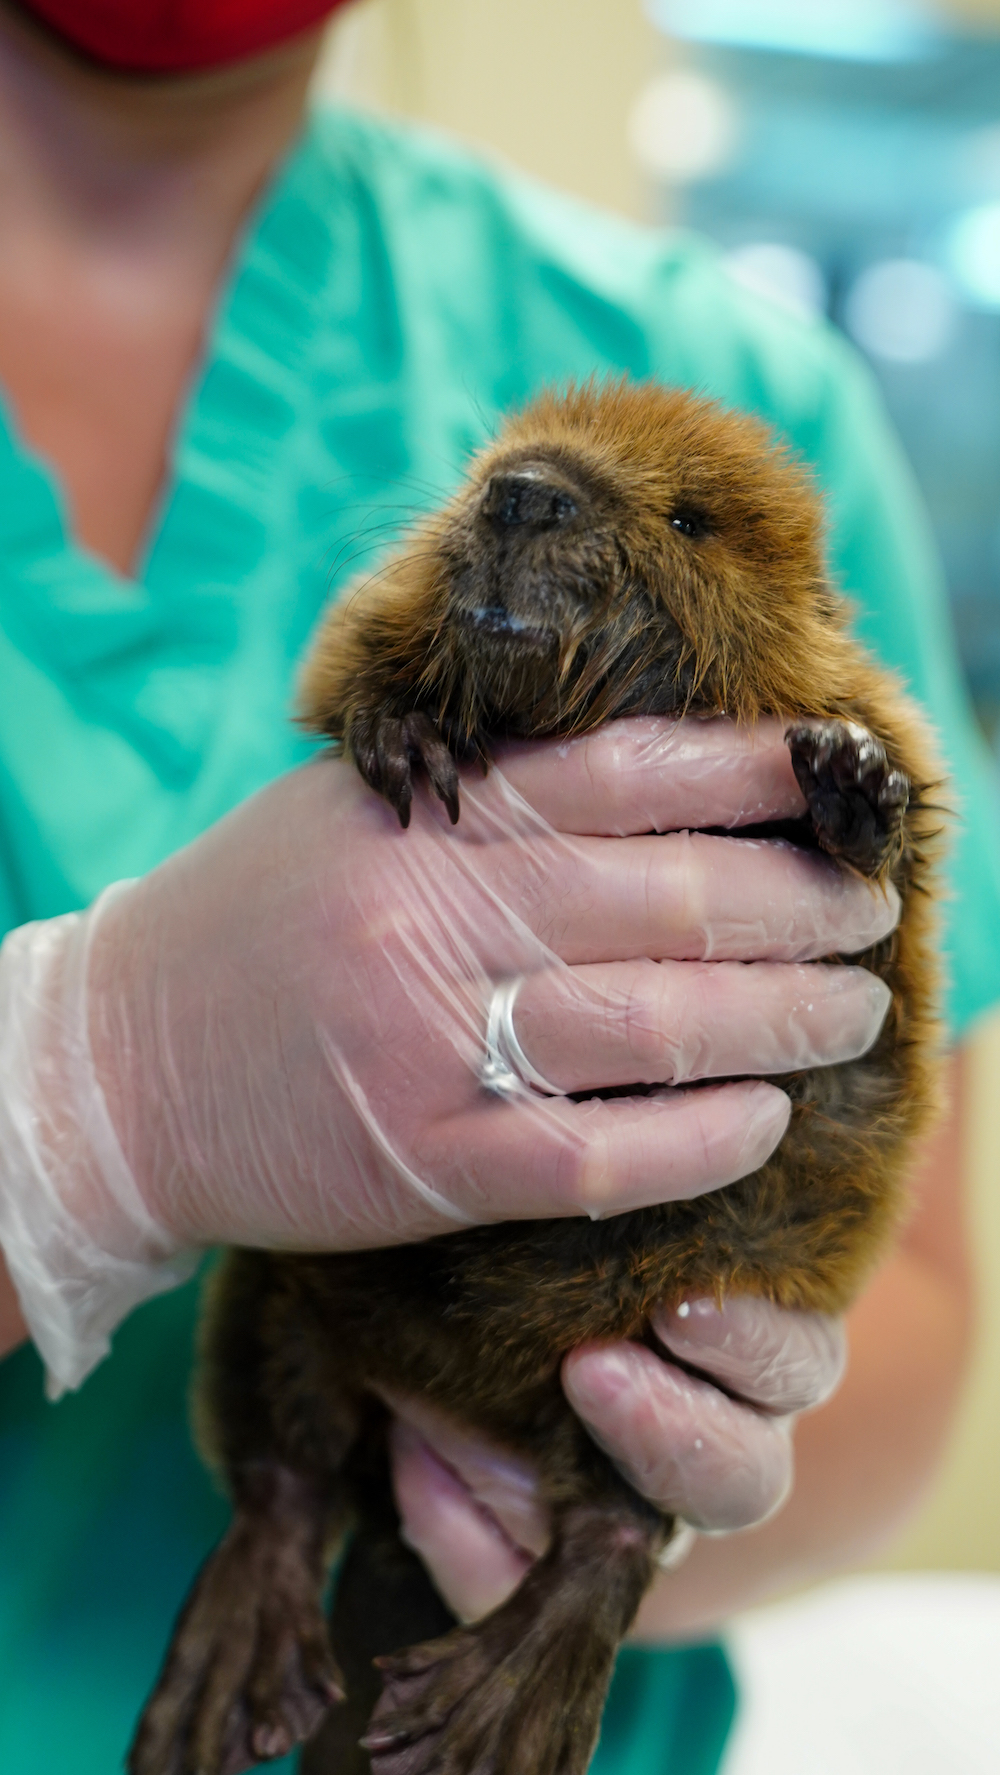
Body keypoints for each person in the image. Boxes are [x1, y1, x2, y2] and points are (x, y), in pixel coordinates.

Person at [0, 4, 994, 1773]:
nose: (531, 518)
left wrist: (635, 1505)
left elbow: (914, 1298)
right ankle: (279, 1541)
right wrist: (90, 1100)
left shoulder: (729, 377)